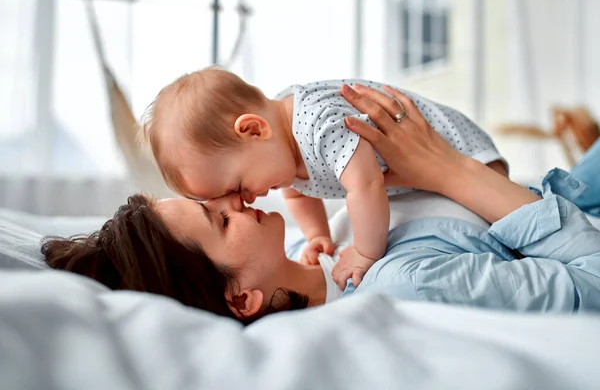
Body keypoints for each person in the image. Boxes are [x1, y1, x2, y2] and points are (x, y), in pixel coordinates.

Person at [42, 85, 600, 325]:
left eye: (215, 197)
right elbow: (591, 284)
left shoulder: (323, 241)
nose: (235, 200)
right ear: (241, 299)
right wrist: (449, 172)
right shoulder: (397, 280)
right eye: (219, 217)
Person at [141, 67, 507, 286]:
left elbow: (365, 184)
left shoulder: (318, 125)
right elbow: (300, 193)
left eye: (237, 186)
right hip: (424, 178)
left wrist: (365, 252)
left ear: (253, 129)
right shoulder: (281, 151)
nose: (245, 200)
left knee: (491, 226)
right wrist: (318, 234)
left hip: (468, 158)